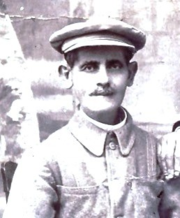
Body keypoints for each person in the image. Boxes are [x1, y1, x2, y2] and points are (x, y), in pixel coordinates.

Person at [2, 18, 180, 218]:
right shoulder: (44, 161)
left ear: (130, 74)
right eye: (89, 67)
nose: (103, 79)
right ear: (67, 75)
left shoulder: (159, 155)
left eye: (114, 66)